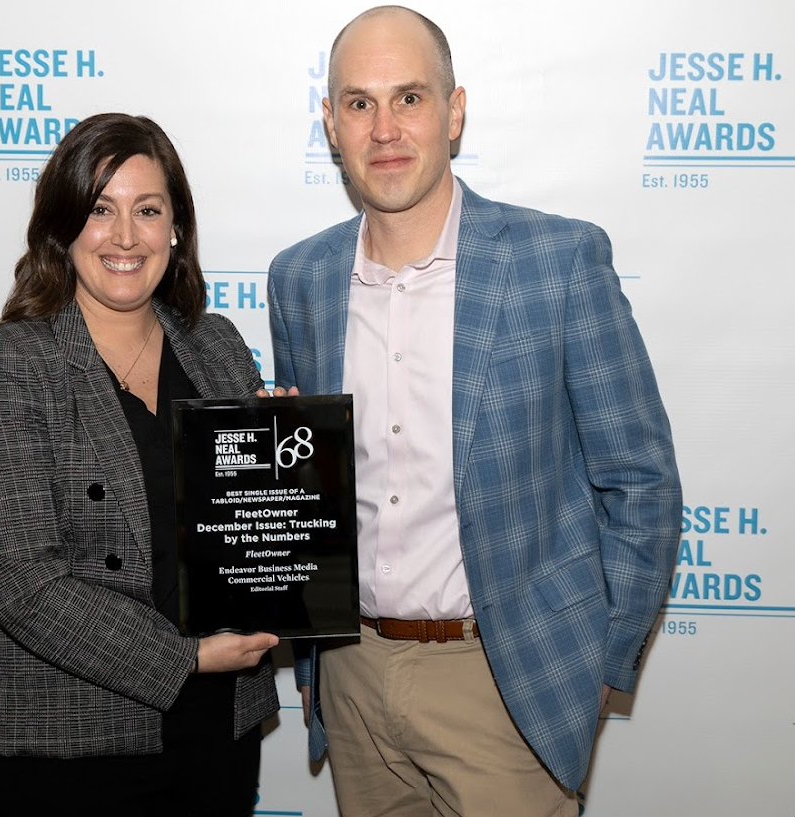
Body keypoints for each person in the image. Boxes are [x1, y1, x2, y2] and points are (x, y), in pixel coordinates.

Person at [266, 7, 683, 815]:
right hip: (352, 677)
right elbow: (303, 487)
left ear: (454, 111)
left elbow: (640, 480)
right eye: (358, 103)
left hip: (505, 680)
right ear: (329, 124)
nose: (384, 128)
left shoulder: (556, 262)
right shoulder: (300, 278)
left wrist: (597, 663)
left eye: (409, 98)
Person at [0, 113, 281, 816]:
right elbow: (24, 583)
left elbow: (255, 533)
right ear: (62, 225)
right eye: (101, 210)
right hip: (65, 745)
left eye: (148, 210)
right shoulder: (9, 361)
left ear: (176, 229)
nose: (126, 236)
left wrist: (290, 458)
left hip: (215, 730)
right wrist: (184, 658)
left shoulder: (217, 346)